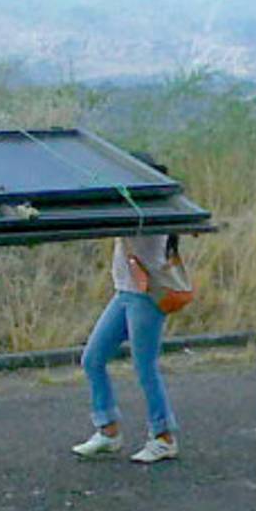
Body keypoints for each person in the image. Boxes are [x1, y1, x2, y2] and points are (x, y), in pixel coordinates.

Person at [72, 158, 181, 464]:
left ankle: (164, 437)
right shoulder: (137, 206)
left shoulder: (148, 211)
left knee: (145, 368)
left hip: (145, 297)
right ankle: (108, 430)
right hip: (125, 294)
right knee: (93, 359)